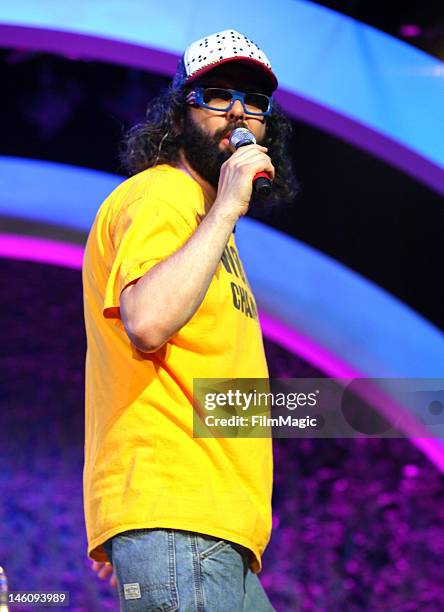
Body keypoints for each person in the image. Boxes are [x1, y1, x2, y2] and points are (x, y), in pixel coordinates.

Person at [82, 28, 296, 611]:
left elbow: (214, 389)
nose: (239, 115)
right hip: (184, 516)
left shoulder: (206, 229)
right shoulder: (162, 197)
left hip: (202, 526)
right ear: (177, 119)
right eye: (217, 96)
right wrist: (227, 204)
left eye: (255, 102)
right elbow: (147, 322)